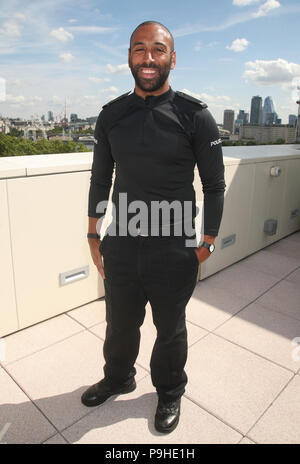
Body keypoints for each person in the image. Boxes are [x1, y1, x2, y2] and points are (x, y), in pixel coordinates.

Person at [82, 20, 225, 434]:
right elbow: (99, 178)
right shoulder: (112, 115)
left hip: (175, 244)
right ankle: (118, 377)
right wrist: (94, 232)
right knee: (120, 322)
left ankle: (169, 390)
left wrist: (208, 243)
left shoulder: (195, 116)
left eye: (158, 50)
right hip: (123, 241)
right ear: (128, 56)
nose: (148, 58)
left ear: (172, 59)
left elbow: (214, 186)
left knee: (170, 327)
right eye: (139, 49)